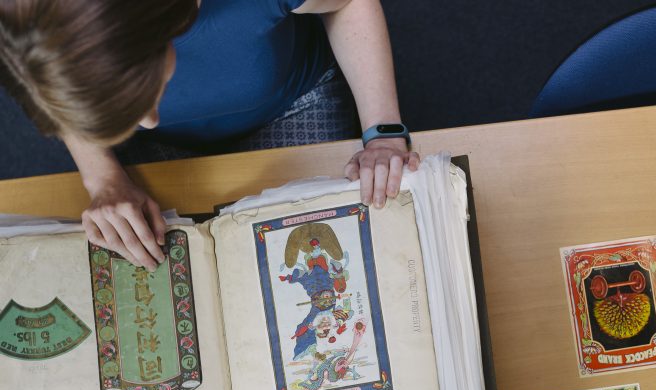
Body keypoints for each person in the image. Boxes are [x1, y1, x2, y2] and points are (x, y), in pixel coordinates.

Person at [0, 0, 417, 270]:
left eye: (142, 95)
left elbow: (350, 4)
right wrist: (103, 179)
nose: (148, 120)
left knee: (342, 252)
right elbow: (63, 91)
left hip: (291, 103)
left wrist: (382, 133)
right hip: (173, 145)